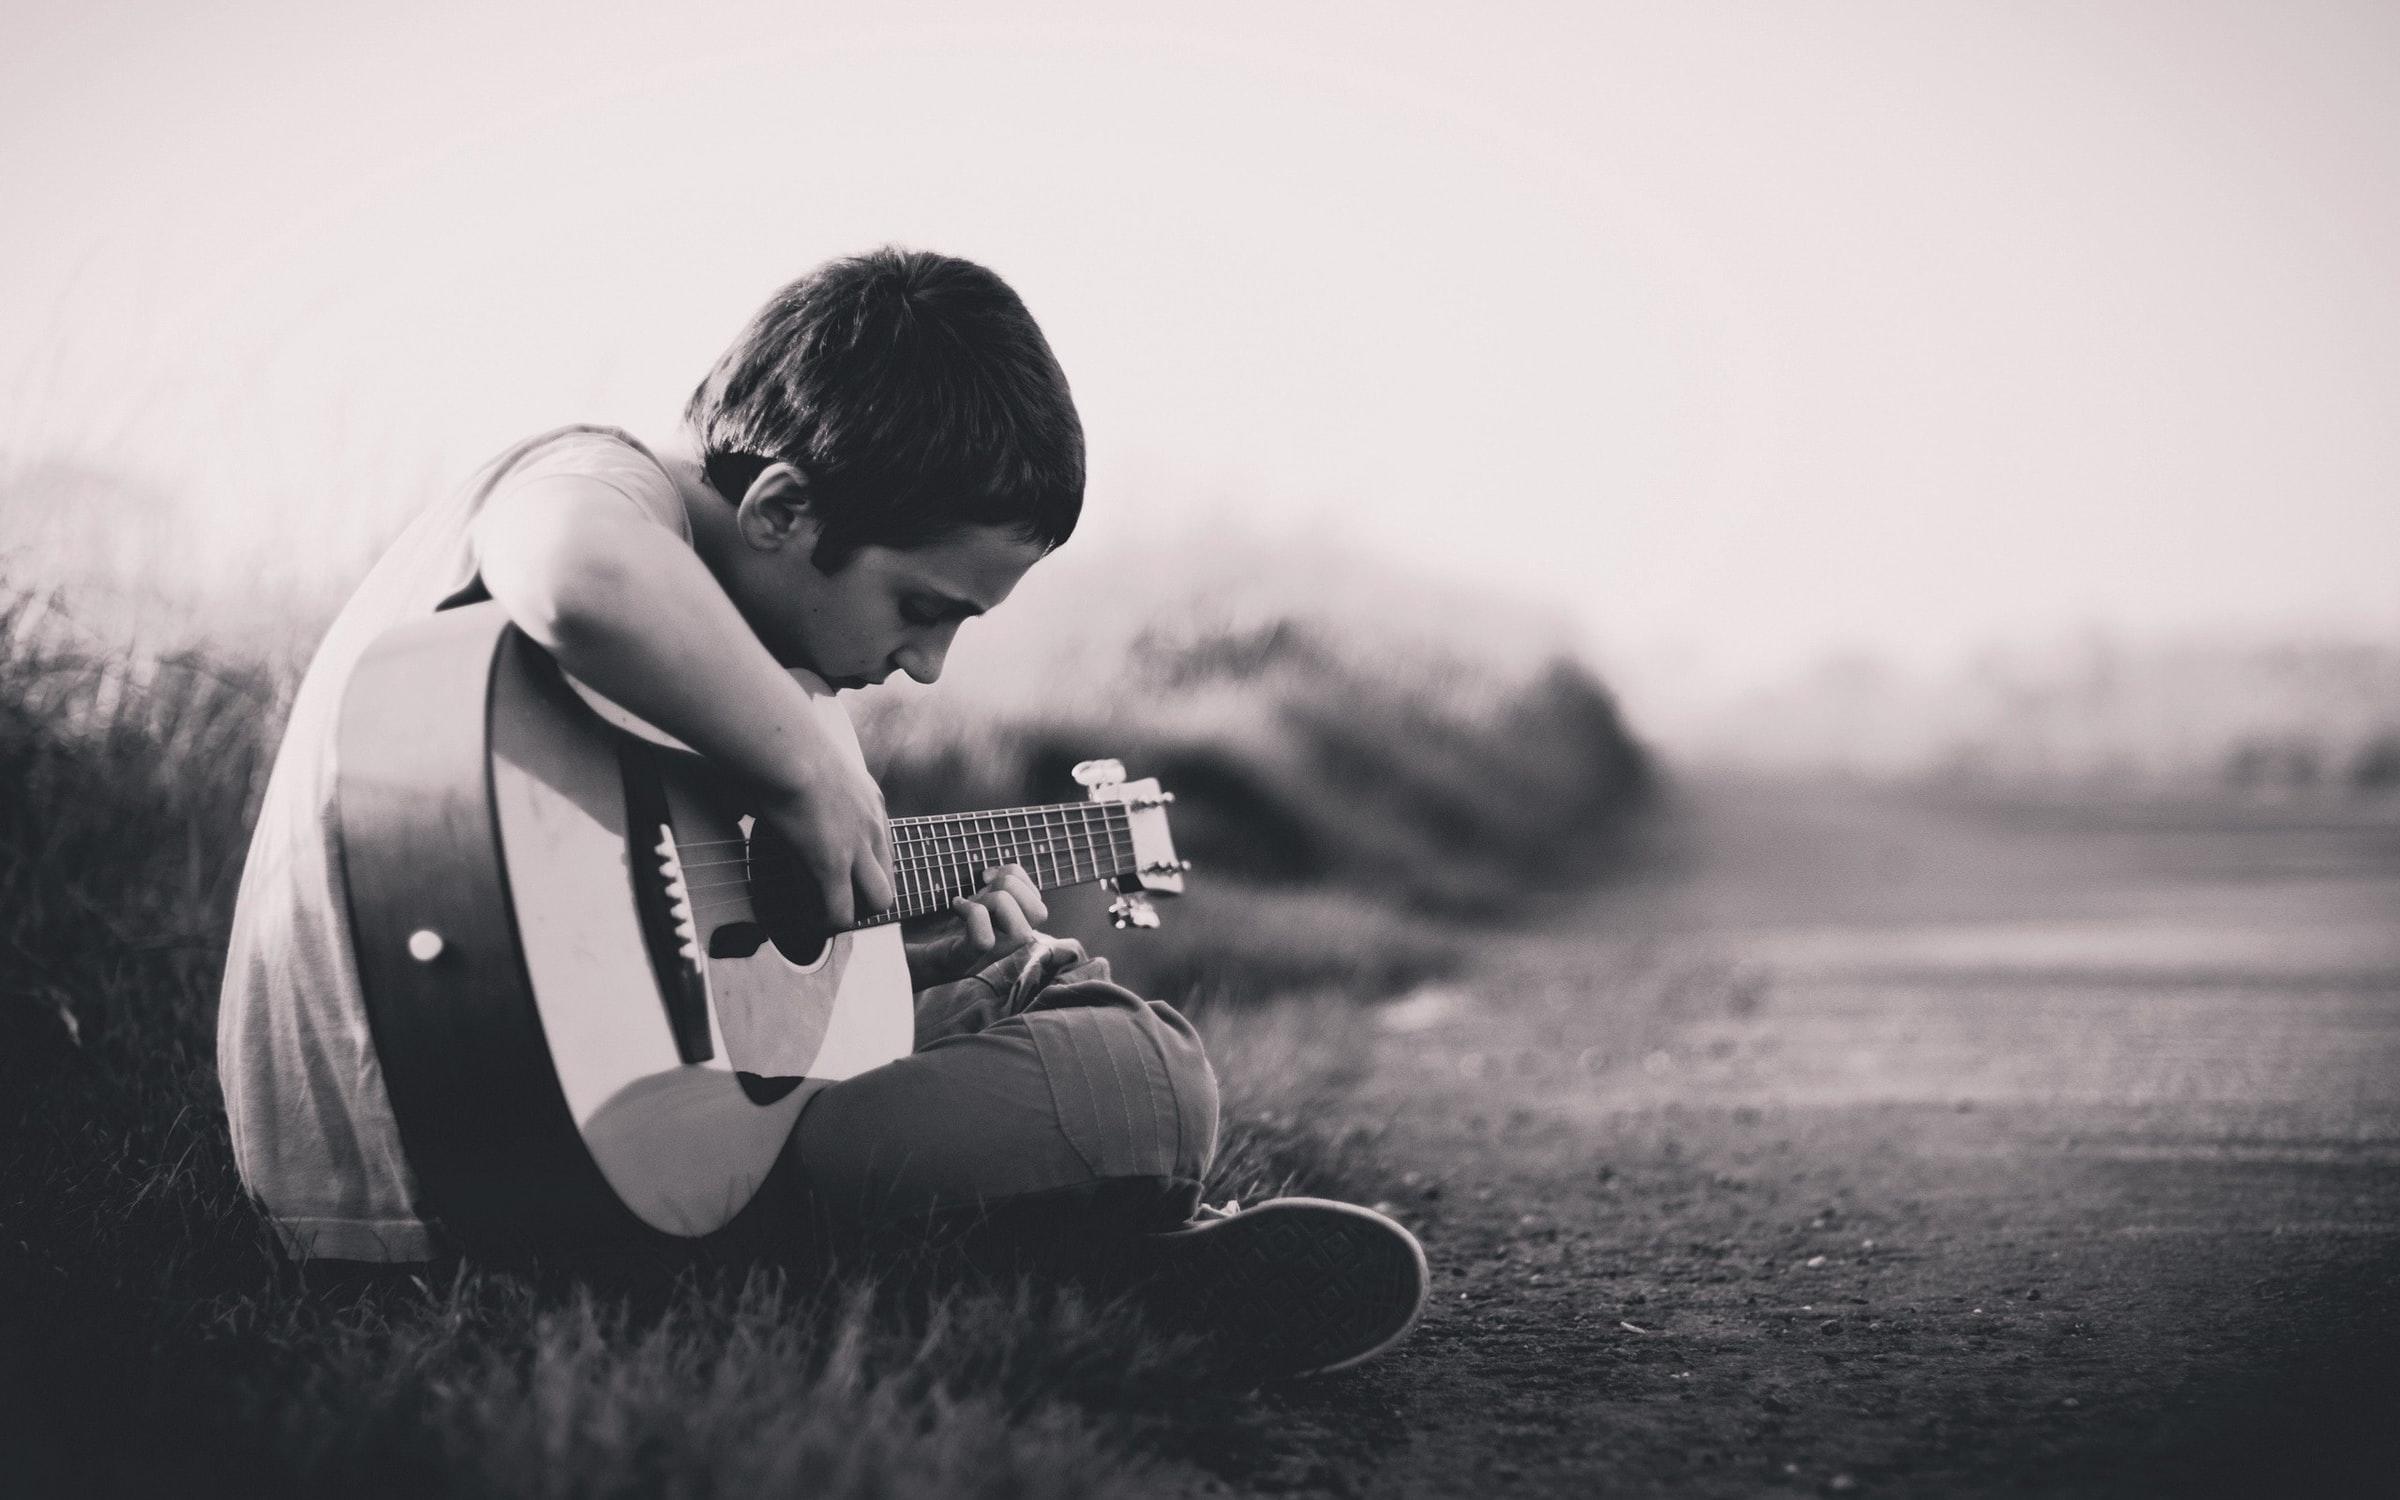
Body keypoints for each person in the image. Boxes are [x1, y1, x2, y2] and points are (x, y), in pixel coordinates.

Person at [216, 247, 1426, 1379]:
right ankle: (1061, 1249)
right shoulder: (594, 482)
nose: (928, 665)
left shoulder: (715, 649)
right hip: (472, 1179)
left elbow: (649, 959)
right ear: (782, 509)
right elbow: (575, 572)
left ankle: (1039, 1253)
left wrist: (888, 960)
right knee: (1147, 1073)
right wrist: (809, 766)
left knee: (1012, 982)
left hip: (527, 1153)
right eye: (923, 605)